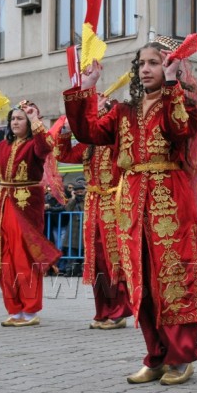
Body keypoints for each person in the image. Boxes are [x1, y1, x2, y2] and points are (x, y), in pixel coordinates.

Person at [64, 39, 197, 386]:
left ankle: (181, 355)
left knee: (174, 276)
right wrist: (87, 87)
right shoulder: (124, 111)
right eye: (142, 63)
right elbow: (88, 132)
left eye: (155, 62)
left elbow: (180, 129)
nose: (146, 69)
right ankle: (156, 355)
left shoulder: (181, 102)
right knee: (141, 279)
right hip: (132, 199)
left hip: (170, 197)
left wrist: (172, 85)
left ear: (170, 66)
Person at [54, 100, 132, 331]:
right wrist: (66, 130)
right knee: (97, 260)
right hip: (93, 203)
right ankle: (103, 310)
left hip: (115, 202)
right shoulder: (88, 145)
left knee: (113, 259)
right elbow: (63, 154)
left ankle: (119, 311)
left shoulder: (117, 141)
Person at [0, 102, 62, 327]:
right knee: (5, 258)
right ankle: (15, 309)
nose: (15, 122)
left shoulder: (34, 145)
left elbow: (45, 146)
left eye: (20, 118)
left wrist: (36, 118)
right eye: (13, 119)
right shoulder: (3, 146)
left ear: (29, 123)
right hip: (4, 204)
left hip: (26, 205)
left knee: (24, 257)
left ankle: (30, 310)